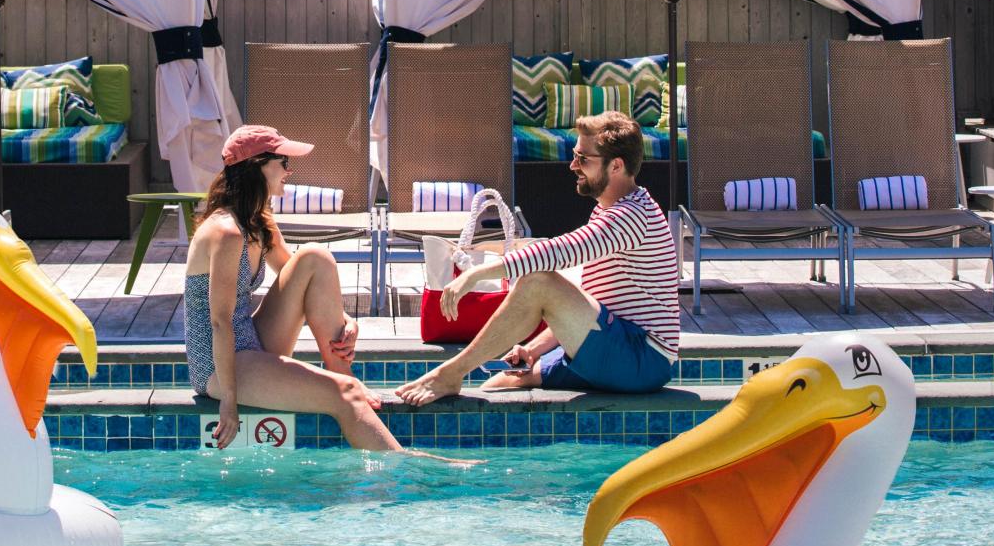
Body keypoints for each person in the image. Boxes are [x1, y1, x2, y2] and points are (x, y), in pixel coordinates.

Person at [396, 111, 678, 406]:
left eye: (583, 159)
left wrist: (475, 274)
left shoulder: (631, 217)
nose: (572, 166)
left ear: (616, 165)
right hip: (620, 346)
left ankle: (450, 374)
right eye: (574, 155)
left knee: (539, 281)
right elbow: (598, 305)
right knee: (502, 382)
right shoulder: (612, 210)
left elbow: (560, 251)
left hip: (642, 359)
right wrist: (533, 349)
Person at [184, 123, 403, 453]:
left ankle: (342, 370)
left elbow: (298, 277)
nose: (290, 169)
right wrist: (229, 401)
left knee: (315, 257)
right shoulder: (226, 233)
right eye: (283, 162)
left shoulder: (258, 221)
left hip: (252, 343)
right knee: (346, 396)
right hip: (219, 366)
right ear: (258, 166)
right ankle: (407, 473)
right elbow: (220, 321)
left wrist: (346, 319)